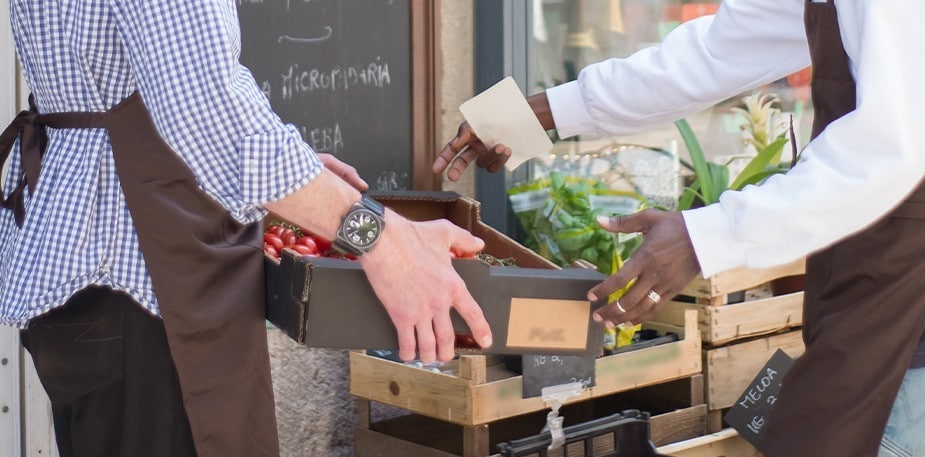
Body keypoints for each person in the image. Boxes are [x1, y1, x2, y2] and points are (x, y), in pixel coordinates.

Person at [0, 2, 492, 457]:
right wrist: (383, 240)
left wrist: (297, 179)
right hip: (136, 274)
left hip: (86, 247)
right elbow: (203, 103)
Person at [435, 1, 925, 456]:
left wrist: (704, 236)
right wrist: (540, 113)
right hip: (871, 240)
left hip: (900, 248)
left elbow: (891, 143)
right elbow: (721, 49)